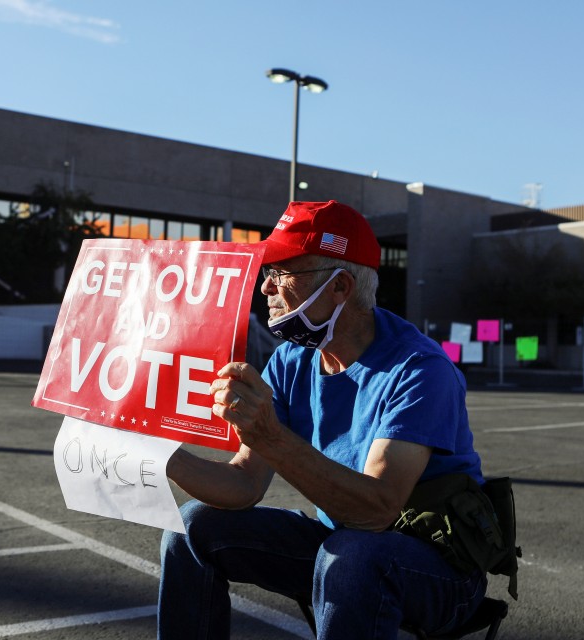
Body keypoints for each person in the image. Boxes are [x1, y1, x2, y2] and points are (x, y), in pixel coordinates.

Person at [158, 200, 487, 639]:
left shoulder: (420, 369)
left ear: (340, 286)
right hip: (344, 543)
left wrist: (271, 436)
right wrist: (161, 455)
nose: (266, 287)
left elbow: (377, 510)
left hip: (438, 562)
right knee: (191, 526)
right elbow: (244, 483)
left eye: (282, 272)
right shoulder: (291, 360)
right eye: (267, 273)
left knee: (352, 555)